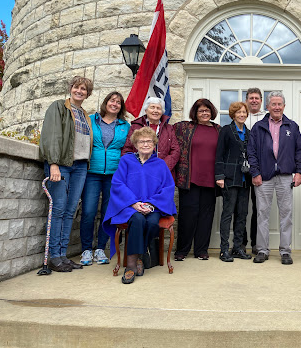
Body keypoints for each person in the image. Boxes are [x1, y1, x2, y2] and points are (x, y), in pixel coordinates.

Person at [103, 127, 177, 284]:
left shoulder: (160, 164)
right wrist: (134, 203)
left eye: (149, 141)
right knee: (137, 220)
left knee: (151, 222)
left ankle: (139, 256)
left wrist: (150, 203)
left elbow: (168, 188)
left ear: (154, 144)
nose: (145, 144)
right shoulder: (126, 161)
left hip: (154, 206)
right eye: (141, 141)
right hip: (129, 206)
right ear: (135, 144)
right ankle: (130, 266)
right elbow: (118, 184)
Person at [39, 76, 94, 272]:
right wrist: (53, 164)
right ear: (71, 88)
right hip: (61, 165)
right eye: (77, 87)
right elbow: (51, 135)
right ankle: (54, 256)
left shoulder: (85, 114)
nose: (80, 91)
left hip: (80, 167)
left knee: (71, 211)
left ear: (88, 94)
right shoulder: (58, 107)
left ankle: (63, 255)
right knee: (59, 209)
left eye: (84, 89)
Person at [247, 91, 301, 265]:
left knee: (286, 214)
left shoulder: (292, 127)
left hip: (286, 176)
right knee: (262, 214)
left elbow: (299, 151)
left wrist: (299, 172)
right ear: (268, 107)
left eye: (280, 104)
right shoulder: (258, 127)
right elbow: (251, 152)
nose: (277, 107)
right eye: (273, 104)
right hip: (263, 177)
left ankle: (285, 251)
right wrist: (255, 173)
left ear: (284, 106)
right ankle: (262, 250)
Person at [80, 92, 130, 266]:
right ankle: (86, 249)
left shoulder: (125, 126)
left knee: (108, 212)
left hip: (114, 175)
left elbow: (128, 149)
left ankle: (101, 247)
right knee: (88, 211)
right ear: (106, 103)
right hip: (92, 172)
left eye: (118, 102)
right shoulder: (91, 119)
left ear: (121, 106)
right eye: (112, 100)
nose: (114, 104)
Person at [173, 99, 221, 261]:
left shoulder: (218, 130)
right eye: (201, 111)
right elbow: (165, 134)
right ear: (195, 113)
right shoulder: (184, 128)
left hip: (210, 180)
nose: (204, 113)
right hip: (189, 179)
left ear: (212, 112)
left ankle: (201, 250)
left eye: (207, 110)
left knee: (206, 216)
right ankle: (182, 250)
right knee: (188, 215)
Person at [215, 102, 252, 262]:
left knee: (242, 214)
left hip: (245, 179)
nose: (242, 114)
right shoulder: (226, 130)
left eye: (244, 112)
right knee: (227, 214)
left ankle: (238, 248)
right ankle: (224, 250)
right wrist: (219, 176)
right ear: (233, 114)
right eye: (239, 112)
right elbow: (219, 154)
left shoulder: (249, 133)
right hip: (230, 178)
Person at [122, 96, 180, 177]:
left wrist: (162, 166)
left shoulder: (169, 128)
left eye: (158, 108)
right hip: (139, 172)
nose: (155, 111)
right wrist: (136, 166)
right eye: (152, 107)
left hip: (162, 173)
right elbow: (127, 149)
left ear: (162, 112)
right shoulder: (135, 127)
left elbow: (175, 151)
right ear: (146, 110)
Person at [244, 88, 266, 254]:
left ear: (261, 100)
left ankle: (256, 244)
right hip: (242, 171)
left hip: (259, 170)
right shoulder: (241, 117)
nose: (254, 101)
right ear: (246, 100)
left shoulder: (266, 119)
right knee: (241, 209)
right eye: (251, 98)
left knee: (259, 209)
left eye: (256, 98)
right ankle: (240, 243)